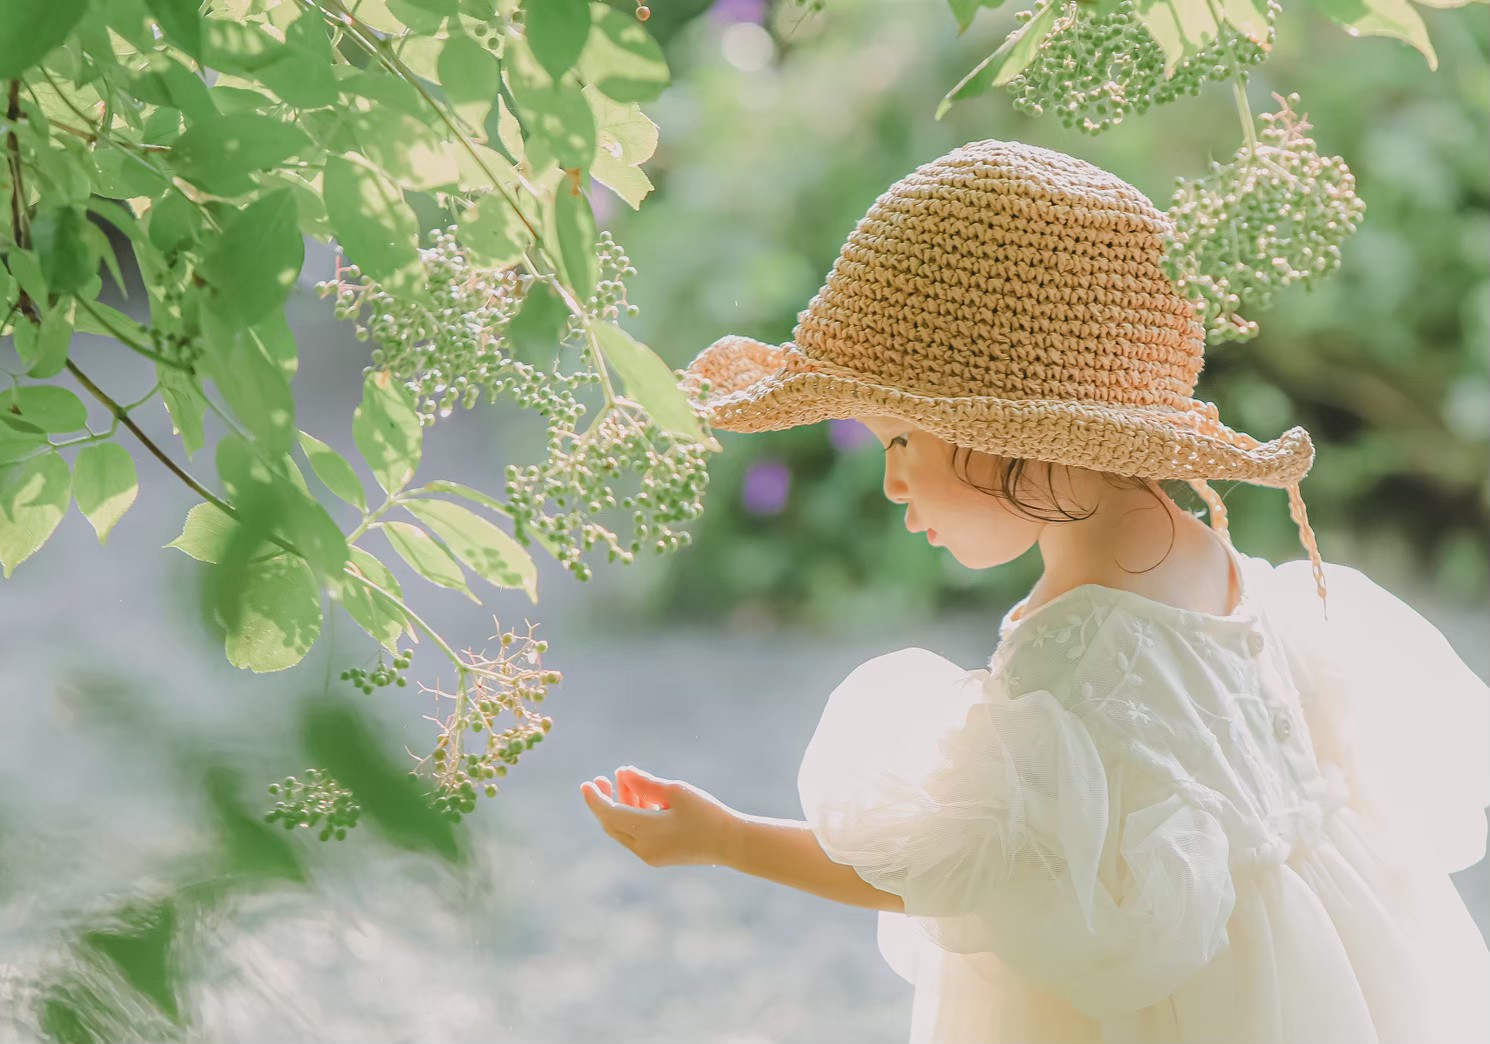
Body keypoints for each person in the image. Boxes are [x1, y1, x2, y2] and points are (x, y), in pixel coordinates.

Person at [577, 140, 1490, 1043]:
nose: (891, 484)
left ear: (1010, 431)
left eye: (902, 441)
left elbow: (962, 872)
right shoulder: (1220, 564)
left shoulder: (1073, 653)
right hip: (1327, 975)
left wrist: (727, 838)